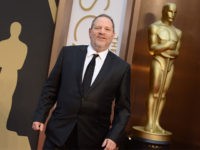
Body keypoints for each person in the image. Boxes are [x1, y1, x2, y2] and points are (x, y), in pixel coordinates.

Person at [32, 14, 131, 150]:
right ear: (90, 32)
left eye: (107, 29)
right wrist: (40, 116)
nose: (102, 31)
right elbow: (51, 88)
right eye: (98, 28)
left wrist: (114, 136)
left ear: (113, 35)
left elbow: (123, 109)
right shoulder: (68, 54)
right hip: (58, 134)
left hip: (93, 140)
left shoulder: (121, 68)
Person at [145, 3, 182, 134]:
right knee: (154, 92)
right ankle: (149, 122)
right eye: (170, 11)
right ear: (164, 11)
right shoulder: (154, 27)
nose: (173, 15)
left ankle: (156, 122)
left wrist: (165, 49)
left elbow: (177, 53)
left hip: (170, 64)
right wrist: (167, 45)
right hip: (158, 62)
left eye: (175, 12)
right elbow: (151, 49)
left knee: (163, 94)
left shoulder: (178, 32)